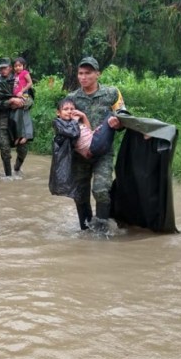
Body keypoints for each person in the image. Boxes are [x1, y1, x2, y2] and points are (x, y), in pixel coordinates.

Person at [64, 56, 125, 232]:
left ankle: (102, 231)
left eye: (88, 73)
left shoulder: (112, 93)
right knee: (80, 195)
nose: (83, 77)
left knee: (101, 190)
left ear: (98, 74)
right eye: (80, 73)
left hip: (103, 153)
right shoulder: (72, 98)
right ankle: (85, 230)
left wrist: (118, 123)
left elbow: (124, 115)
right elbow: (63, 123)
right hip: (79, 154)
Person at [48, 97, 117, 204]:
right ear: (58, 113)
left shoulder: (75, 123)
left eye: (72, 109)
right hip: (92, 147)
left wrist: (83, 116)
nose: (69, 111)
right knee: (111, 116)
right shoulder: (59, 123)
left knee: (110, 120)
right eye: (66, 109)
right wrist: (75, 121)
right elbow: (73, 133)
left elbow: (88, 130)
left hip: (94, 142)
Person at [0, 57, 31, 177]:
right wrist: (10, 101)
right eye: (1, 68)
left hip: (19, 117)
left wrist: (22, 103)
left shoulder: (19, 78)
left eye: (5, 68)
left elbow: (30, 98)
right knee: (3, 145)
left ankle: (17, 169)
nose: (2, 70)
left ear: (10, 68)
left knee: (23, 148)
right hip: (3, 117)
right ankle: (8, 176)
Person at [10, 57, 35, 146]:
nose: (18, 68)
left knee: (24, 115)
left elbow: (30, 83)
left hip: (24, 96)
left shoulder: (25, 73)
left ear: (23, 66)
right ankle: (18, 135)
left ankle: (26, 135)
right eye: (15, 66)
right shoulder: (14, 76)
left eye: (19, 65)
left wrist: (22, 91)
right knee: (16, 116)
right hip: (16, 97)